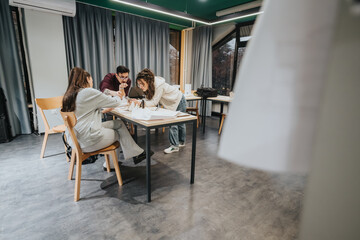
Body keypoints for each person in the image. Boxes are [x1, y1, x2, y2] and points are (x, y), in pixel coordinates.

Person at [61, 67, 149, 169]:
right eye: (91, 80)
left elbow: (86, 111)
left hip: (74, 139)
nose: (92, 82)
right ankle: (111, 164)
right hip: (87, 141)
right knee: (119, 133)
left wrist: (103, 108)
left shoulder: (69, 95)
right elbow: (116, 102)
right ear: (87, 79)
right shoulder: (88, 92)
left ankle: (136, 154)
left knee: (118, 123)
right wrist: (119, 93)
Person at [132, 68, 187, 154]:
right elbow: (149, 99)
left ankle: (175, 146)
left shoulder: (158, 85)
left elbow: (154, 102)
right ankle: (181, 142)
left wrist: (140, 102)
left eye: (142, 84)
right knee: (179, 124)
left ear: (148, 81)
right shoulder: (151, 85)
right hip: (175, 101)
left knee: (175, 123)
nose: (140, 86)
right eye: (139, 84)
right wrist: (142, 102)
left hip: (179, 100)